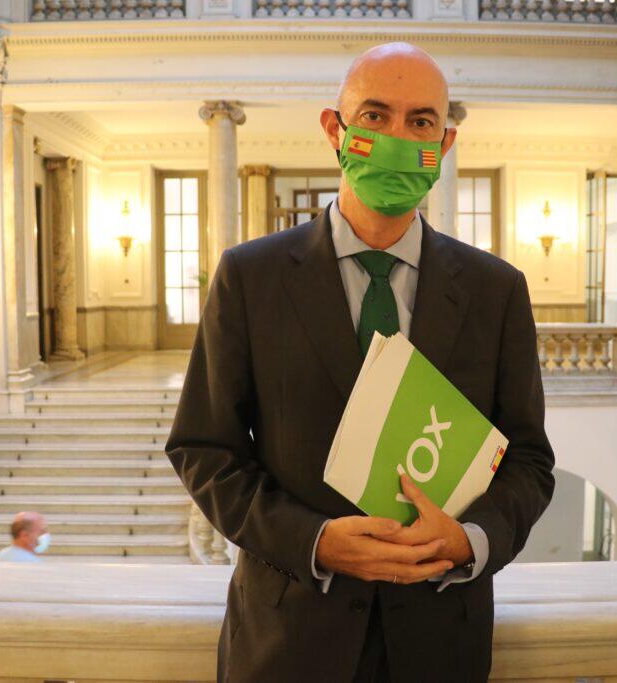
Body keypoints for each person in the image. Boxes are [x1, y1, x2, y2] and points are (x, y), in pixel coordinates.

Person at [166, 42, 555, 683]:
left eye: (421, 121)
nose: (399, 137)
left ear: (444, 143)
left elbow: (529, 461)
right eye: (375, 116)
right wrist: (314, 542)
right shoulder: (250, 277)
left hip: (439, 644)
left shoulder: (497, 291)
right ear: (335, 129)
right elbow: (204, 450)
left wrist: (470, 540)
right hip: (287, 641)